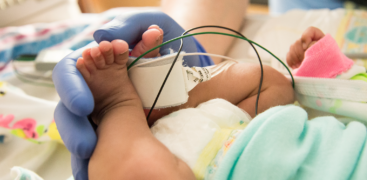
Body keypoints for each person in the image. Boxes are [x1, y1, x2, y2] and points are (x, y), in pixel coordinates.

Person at [75, 23, 335, 178]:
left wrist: (114, 104)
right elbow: (363, 101)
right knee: (274, 82)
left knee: (142, 173)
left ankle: (118, 106)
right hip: (331, 145)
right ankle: (172, 100)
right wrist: (314, 71)